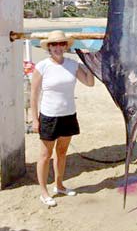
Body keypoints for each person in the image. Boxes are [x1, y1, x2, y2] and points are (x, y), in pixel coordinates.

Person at [30, 30, 95, 207]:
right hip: (49, 117)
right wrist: (34, 120)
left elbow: (90, 83)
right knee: (45, 155)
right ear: (49, 47)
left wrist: (89, 63)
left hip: (68, 115)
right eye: (54, 44)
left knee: (62, 152)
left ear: (66, 46)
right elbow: (34, 95)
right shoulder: (42, 66)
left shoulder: (73, 65)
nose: (58, 47)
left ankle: (59, 185)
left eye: (61, 44)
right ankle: (43, 192)